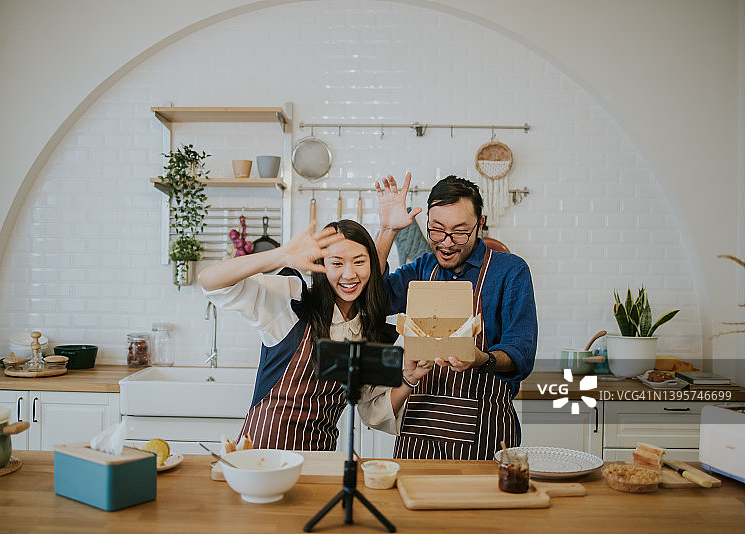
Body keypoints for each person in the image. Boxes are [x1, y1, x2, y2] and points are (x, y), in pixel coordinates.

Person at [198, 219, 432, 451]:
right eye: (337, 263)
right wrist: (281, 255)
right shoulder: (291, 300)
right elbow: (210, 282)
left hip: (321, 455)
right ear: (321, 265)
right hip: (265, 455)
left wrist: (409, 379)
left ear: (372, 265)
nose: (349, 274)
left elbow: (373, 411)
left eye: (359, 262)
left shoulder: (367, 331)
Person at [372, 173, 537, 460]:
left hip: (485, 432)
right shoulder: (423, 268)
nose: (446, 243)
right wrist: (387, 230)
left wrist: (481, 359)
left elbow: (521, 352)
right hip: (419, 430)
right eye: (436, 230)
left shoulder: (511, 271)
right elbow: (372, 300)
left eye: (460, 231)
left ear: (480, 225)